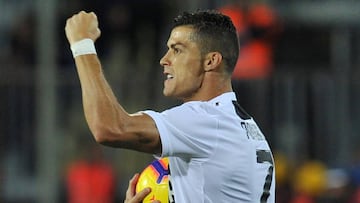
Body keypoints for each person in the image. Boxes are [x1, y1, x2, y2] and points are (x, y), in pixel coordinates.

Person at [65, 9, 275, 203]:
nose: (164, 60)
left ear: (211, 61)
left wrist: (82, 44)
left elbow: (109, 128)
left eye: (177, 50)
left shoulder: (205, 119)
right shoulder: (245, 127)